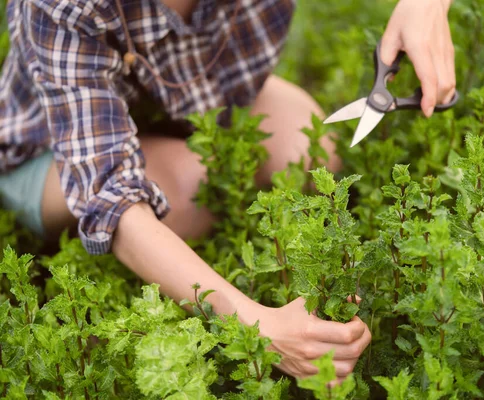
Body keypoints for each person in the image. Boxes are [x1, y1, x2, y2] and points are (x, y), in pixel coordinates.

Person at [0, 0, 455, 380]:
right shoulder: (61, 6)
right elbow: (116, 202)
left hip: (189, 99)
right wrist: (261, 327)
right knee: (185, 188)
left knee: (310, 149)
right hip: (52, 147)